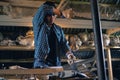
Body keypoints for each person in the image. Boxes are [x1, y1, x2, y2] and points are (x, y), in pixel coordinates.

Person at [32, 1, 76, 68]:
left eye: (53, 15)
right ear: (44, 16)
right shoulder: (39, 24)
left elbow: (63, 44)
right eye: (49, 15)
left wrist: (69, 54)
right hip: (41, 62)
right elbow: (43, 9)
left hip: (56, 63)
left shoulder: (58, 29)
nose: (52, 17)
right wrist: (61, 13)